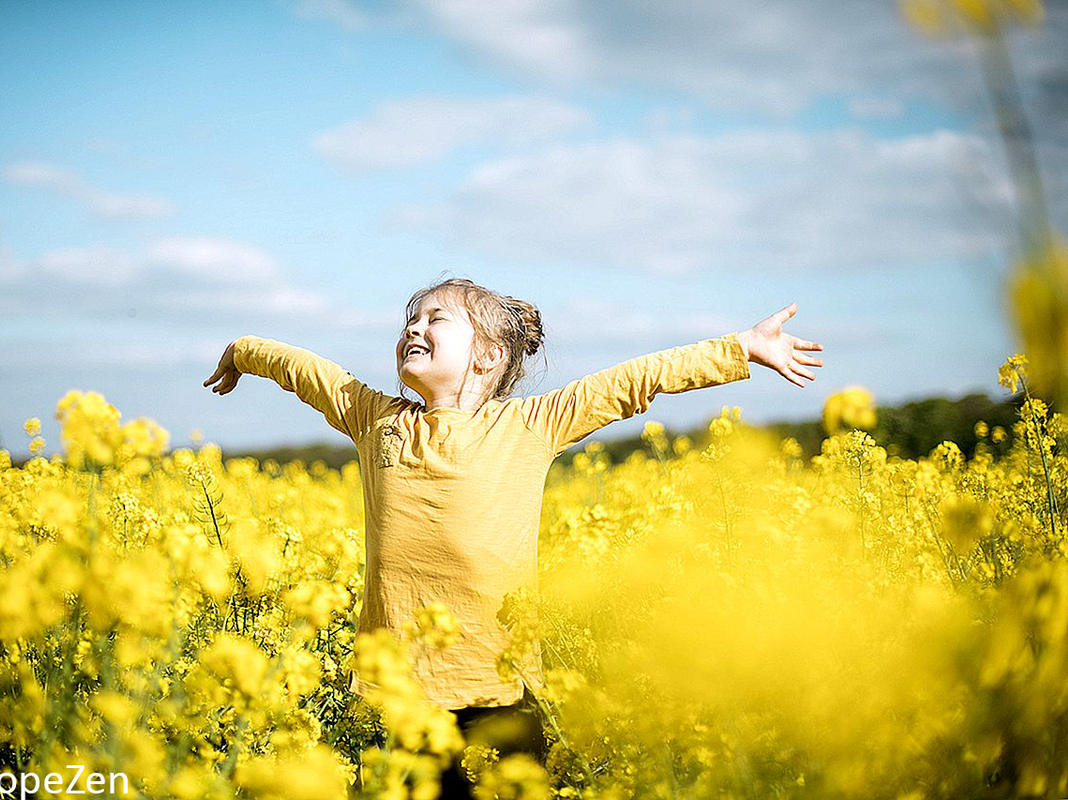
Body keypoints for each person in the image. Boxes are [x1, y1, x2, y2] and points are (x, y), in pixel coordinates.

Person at [203, 276, 824, 794]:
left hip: (502, 688)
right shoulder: (375, 419)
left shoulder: (530, 423)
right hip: (402, 686)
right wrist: (242, 349)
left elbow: (635, 380)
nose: (412, 329)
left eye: (434, 320)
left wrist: (740, 348)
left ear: (487, 356)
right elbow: (302, 369)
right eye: (408, 322)